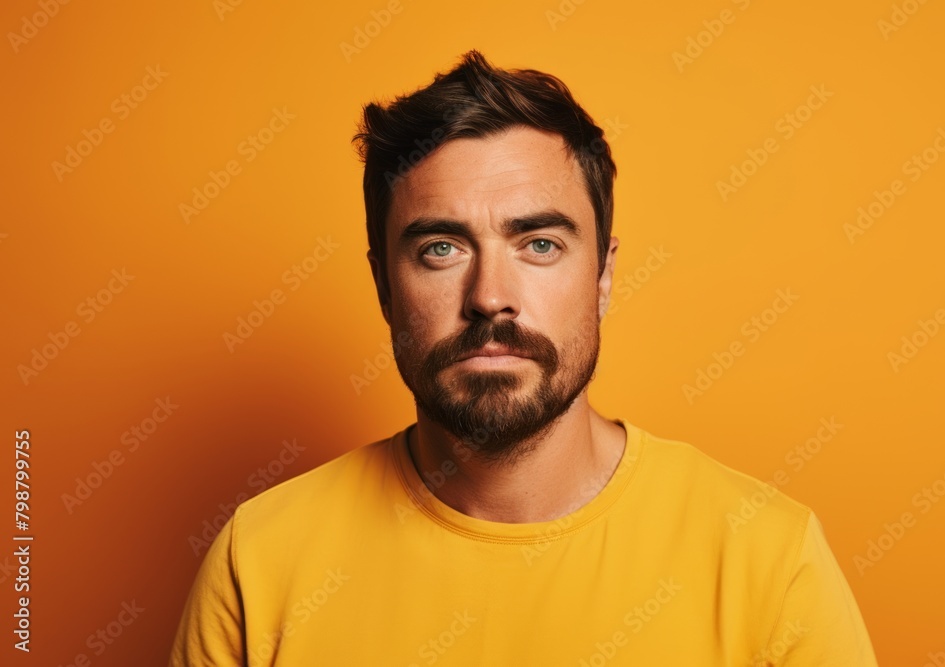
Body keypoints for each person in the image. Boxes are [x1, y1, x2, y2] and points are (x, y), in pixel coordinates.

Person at [171, 50, 879, 666]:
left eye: (539, 244)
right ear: (385, 285)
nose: (490, 298)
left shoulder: (768, 559)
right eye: (440, 248)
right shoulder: (259, 564)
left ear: (602, 276)